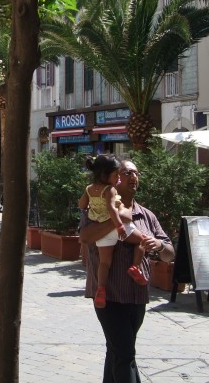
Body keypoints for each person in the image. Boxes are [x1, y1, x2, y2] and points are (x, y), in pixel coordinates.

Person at [79, 158, 174, 382]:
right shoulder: (96, 210)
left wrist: (158, 245)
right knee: (125, 353)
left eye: (135, 173)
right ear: (114, 178)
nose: (133, 177)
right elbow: (85, 237)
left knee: (116, 351)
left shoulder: (146, 216)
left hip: (137, 296)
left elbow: (169, 252)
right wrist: (117, 221)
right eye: (126, 173)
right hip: (108, 296)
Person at [79, 155, 149, 308]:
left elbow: (82, 204)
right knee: (143, 239)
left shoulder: (89, 189)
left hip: (100, 229)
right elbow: (113, 210)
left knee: (104, 263)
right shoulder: (110, 190)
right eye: (116, 175)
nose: (118, 178)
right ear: (105, 175)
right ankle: (135, 267)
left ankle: (101, 289)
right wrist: (119, 226)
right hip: (118, 226)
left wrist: (93, 208)